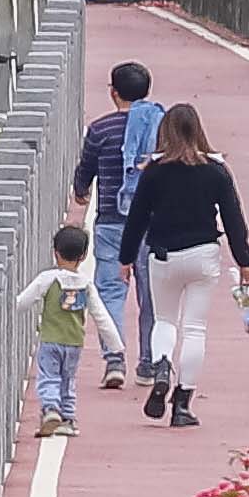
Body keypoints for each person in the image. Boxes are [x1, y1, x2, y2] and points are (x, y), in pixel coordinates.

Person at [118, 101, 249, 424]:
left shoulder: (153, 172)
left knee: (164, 321)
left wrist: (125, 259)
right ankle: (182, 404)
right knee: (195, 327)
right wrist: (245, 260)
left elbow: (137, 219)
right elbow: (234, 218)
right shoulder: (216, 171)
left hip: (164, 255)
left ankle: (162, 365)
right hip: (203, 255)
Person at [68, 56, 157, 376]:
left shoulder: (101, 129)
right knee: (152, 296)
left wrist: (81, 190)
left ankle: (115, 359)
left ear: (113, 92)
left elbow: (87, 167)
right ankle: (149, 361)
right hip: (152, 223)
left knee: (109, 292)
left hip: (111, 220)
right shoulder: (159, 128)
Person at [27, 219, 96, 430]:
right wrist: (115, 345)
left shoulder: (48, 279)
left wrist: (9, 306)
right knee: (68, 379)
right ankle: (67, 417)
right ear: (83, 256)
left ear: (55, 252)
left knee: (49, 376)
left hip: (50, 339)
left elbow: (24, 300)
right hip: (74, 341)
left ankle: (50, 409)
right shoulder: (86, 284)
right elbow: (100, 315)